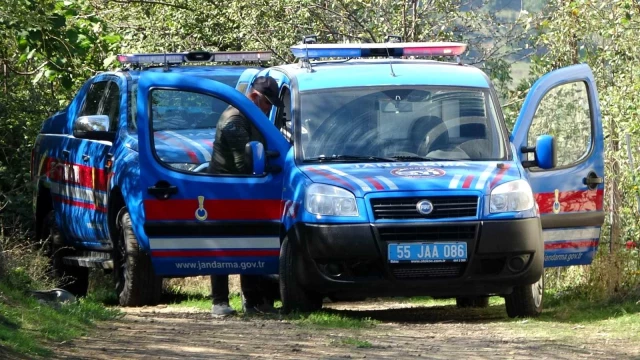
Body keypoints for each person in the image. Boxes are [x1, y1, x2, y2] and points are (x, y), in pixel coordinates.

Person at [208, 76, 284, 317]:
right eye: (267, 105)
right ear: (254, 98)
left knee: (249, 245)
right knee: (221, 247)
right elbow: (245, 162)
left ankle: (252, 301)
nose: (268, 110)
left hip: (243, 190)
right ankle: (219, 302)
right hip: (226, 191)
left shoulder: (249, 117)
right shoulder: (235, 120)